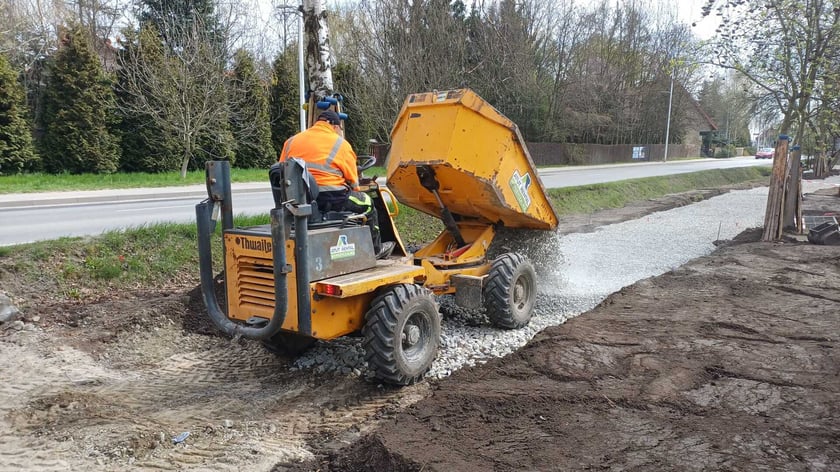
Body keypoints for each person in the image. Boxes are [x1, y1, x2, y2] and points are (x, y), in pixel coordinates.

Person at [279, 110, 393, 258]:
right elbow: (354, 183)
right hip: (331, 198)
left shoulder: (291, 142)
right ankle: (376, 250)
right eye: (340, 129)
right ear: (335, 126)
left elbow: (281, 170)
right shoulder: (341, 144)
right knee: (368, 203)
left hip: (297, 200)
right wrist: (356, 187)